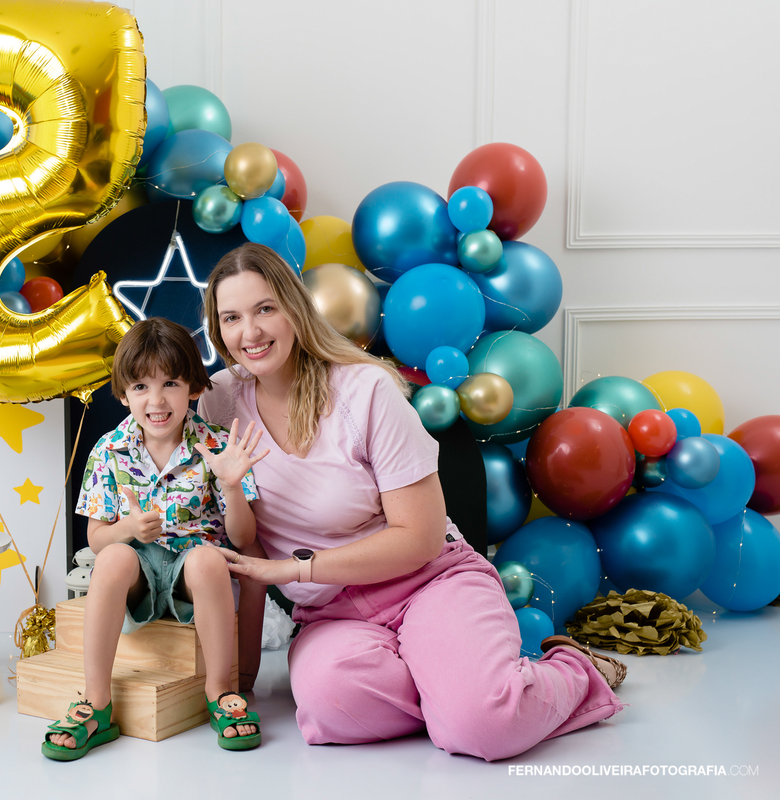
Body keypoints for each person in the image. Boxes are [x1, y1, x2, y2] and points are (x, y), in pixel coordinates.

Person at [196, 243, 627, 762]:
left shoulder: (365, 390)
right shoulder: (218, 401)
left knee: (482, 729)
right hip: (334, 616)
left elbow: (418, 538)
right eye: (232, 318)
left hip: (428, 580)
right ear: (218, 331)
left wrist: (296, 569)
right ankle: (461, 693)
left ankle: (571, 673)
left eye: (265, 308)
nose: (251, 332)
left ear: (295, 309)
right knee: (327, 705)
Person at [43, 317, 270, 760]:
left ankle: (219, 691)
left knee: (207, 559)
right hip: (138, 576)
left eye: (170, 383)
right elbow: (95, 539)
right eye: (141, 387)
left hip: (194, 575)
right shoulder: (108, 450)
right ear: (124, 394)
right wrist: (128, 530)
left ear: (194, 388)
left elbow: (244, 538)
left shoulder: (218, 446)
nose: (157, 400)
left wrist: (230, 486)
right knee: (111, 559)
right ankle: (96, 701)